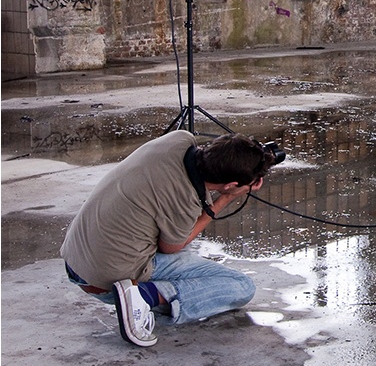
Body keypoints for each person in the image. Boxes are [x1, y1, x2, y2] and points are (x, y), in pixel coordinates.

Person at [60, 130, 279, 347]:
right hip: (106, 278)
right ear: (231, 185)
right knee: (241, 287)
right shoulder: (185, 202)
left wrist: (244, 155)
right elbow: (171, 248)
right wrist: (224, 200)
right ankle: (141, 297)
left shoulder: (178, 139)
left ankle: (143, 293)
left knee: (173, 234)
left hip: (77, 256)